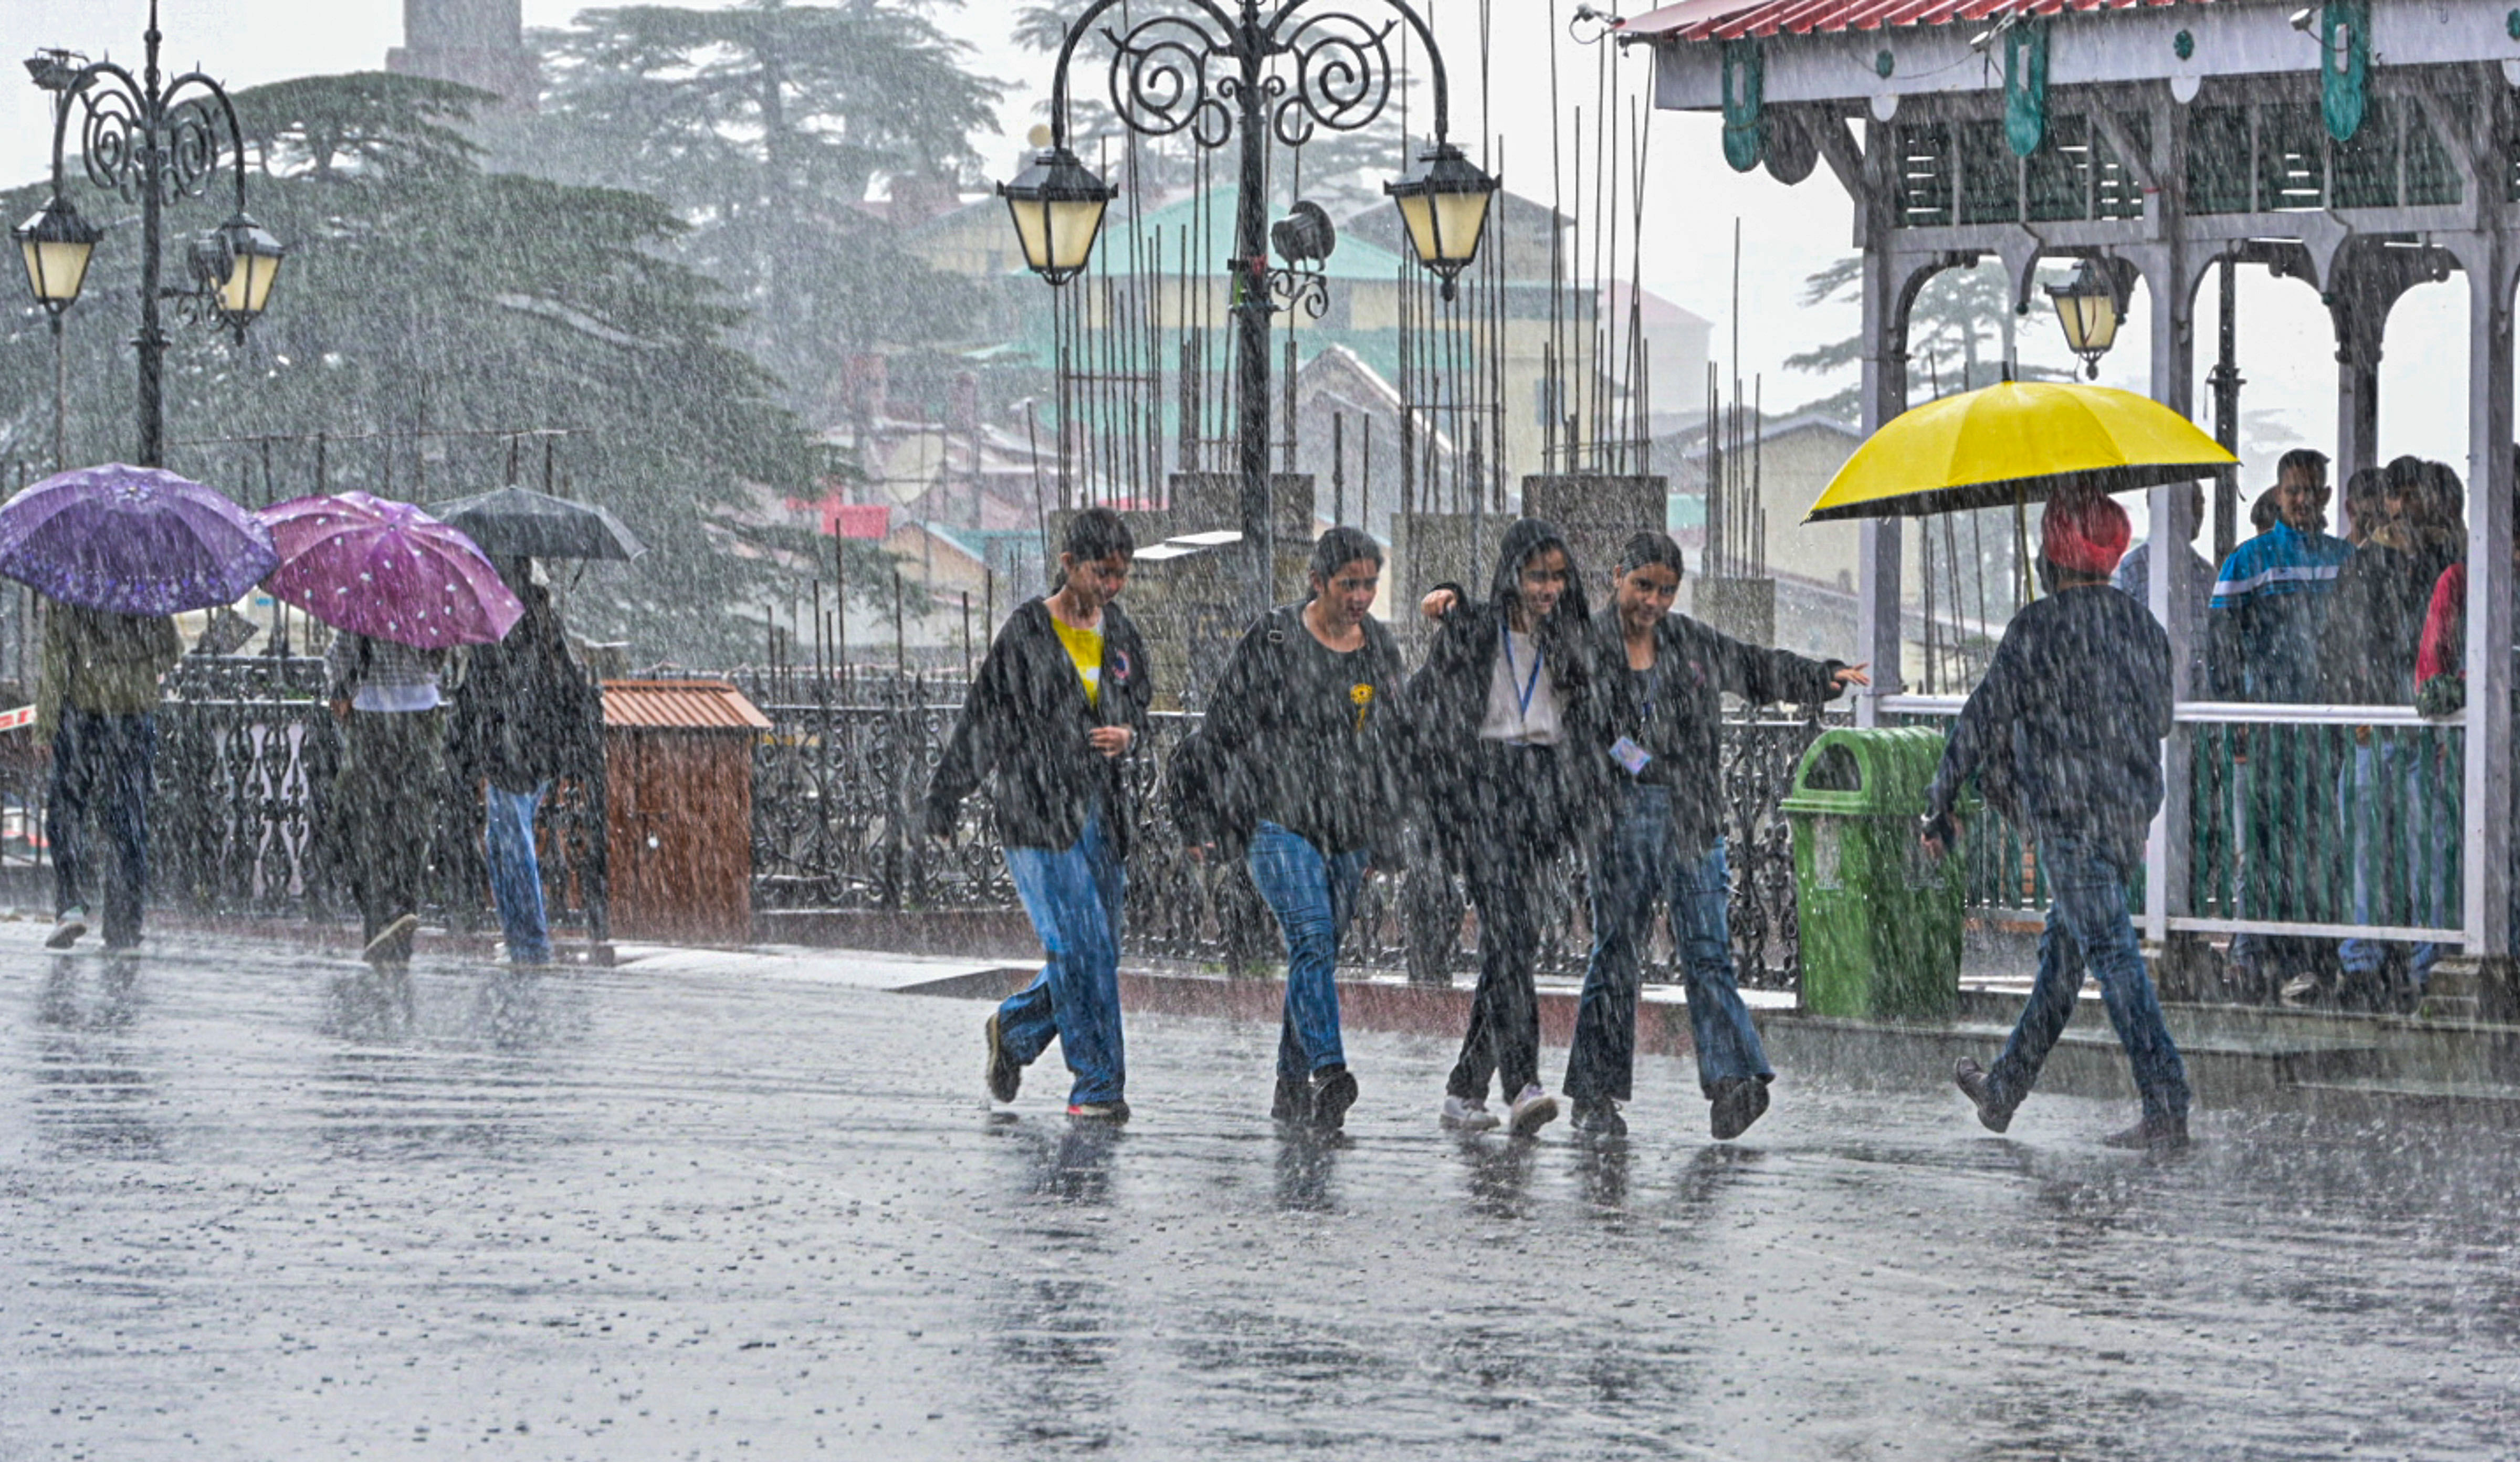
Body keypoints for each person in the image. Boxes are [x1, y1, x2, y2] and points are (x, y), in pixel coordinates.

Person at [1564, 532, 1865, 1141]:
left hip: (1693, 817)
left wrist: (1821, 676)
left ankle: (1733, 1083)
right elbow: (1591, 729)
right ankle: (1594, 1094)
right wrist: (1644, 767)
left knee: (1708, 951)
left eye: (1666, 590)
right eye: (1643, 586)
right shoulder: (1588, 647)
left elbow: (1755, 667)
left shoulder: (1691, 643)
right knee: (1618, 952)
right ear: (1617, 576)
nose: (1653, 601)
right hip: (1621, 821)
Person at [1931, 490, 2193, 1150]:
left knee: (2112, 956)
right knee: (2061, 961)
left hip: (2067, 816)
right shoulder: (2142, 626)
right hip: (2125, 816)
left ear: (2051, 552)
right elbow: (2160, 718)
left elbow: (1982, 718)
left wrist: (1939, 799)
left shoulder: (2036, 628)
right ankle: (2003, 1091)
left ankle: (2167, 1101)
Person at [926, 507, 1151, 1122]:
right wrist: (947, 793)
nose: (1110, 586)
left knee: (1099, 950)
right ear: (1069, 564)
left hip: (1103, 814)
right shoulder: (1026, 632)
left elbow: (1142, 700)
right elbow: (986, 717)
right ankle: (1098, 1084)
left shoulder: (1122, 633)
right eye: (1102, 572)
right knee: (1077, 946)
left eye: (1121, 575)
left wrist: (1128, 732)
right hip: (1037, 813)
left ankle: (1017, 1028)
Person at [1197, 527, 1411, 1132]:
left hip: (1349, 830)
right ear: (1317, 582)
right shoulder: (1273, 637)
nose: (1361, 596)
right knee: (1312, 938)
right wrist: (1215, 817)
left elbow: (1395, 743)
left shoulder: (1380, 648)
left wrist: (1389, 830)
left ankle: (1290, 1087)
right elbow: (1221, 728)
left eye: (1370, 583)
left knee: (1315, 957)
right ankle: (1328, 1069)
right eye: (1349, 584)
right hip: (1277, 821)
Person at [1412, 519, 1607, 1138]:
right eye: (1536, 575)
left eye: (1557, 575)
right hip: (1483, 793)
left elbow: (1595, 721)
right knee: (1514, 933)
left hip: (1540, 797)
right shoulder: (1473, 630)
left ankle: (1465, 1089)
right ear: (1512, 575)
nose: (1548, 587)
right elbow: (1426, 708)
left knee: (1507, 943)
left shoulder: (1572, 639)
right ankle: (1523, 1082)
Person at [2319, 458, 2463, 1006]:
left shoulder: (2442, 562)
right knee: (2371, 848)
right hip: (2376, 725)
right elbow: (2341, 644)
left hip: (2424, 726)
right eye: (2398, 496)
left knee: (2428, 848)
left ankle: (2424, 956)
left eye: (2412, 496)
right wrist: (2355, 707)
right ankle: (2365, 960)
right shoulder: (2368, 565)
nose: (2404, 507)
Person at [2210, 449, 2353, 998]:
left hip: (2326, 728)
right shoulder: (2249, 561)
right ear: (2276, 495)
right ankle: (2263, 955)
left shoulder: (2345, 560)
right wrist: (2236, 711)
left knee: (2323, 845)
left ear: (2324, 497)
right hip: (2270, 725)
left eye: (2310, 490)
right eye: (2292, 490)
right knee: (2267, 842)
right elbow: (2222, 647)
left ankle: (2316, 956)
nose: (2301, 500)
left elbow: (2355, 640)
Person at [450, 560, 596, 967]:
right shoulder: (544, 619)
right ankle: (520, 935)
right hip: (536, 747)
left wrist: (470, 739)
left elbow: (483, 688)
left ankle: (528, 940)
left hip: (510, 747)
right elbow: (565, 682)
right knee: (509, 841)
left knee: (510, 844)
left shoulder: (500, 621)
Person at [37, 599, 181, 951]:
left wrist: (46, 725)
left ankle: (71, 904)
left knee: (66, 810)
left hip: (83, 711)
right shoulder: (144, 584)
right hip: (134, 712)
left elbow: (57, 657)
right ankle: (124, 924)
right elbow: (171, 650)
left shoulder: (70, 586)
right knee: (128, 818)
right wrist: (138, 665)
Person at [327, 628, 454, 969]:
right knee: (411, 824)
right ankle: (402, 913)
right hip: (423, 715)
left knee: (367, 826)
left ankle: (379, 919)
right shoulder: (430, 595)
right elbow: (441, 654)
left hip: (373, 716)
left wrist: (340, 687)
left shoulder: (366, 594)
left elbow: (342, 653)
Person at [2111, 480, 2213, 683]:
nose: (2198, 511)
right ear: (2157, 506)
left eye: (2200, 502)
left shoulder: (2207, 575)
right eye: (2189, 502)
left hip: (2197, 702)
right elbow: (2118, 641)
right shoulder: (2131, 570)